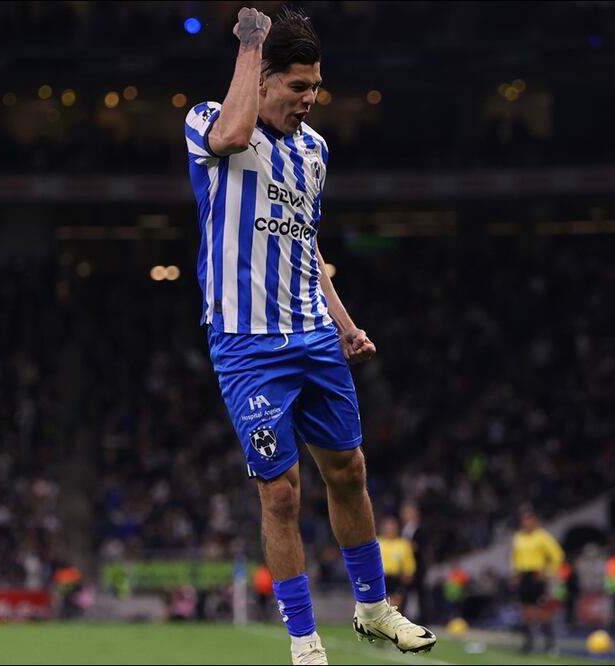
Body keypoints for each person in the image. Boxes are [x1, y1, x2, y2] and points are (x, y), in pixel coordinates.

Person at [184, 7, 435, 664]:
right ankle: (302, 640)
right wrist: (249, 42)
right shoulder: (207, 121)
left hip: (313, 336)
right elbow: (235, 133)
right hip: (246, 344)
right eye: (297, 86)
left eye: (315, 86)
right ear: (262, 79)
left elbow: (304, 243)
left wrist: (345, 324)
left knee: (349, 471)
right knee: (281, 489)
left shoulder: (315, 151)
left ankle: (373, 608)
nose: (310, 99)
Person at [510, 507, 564, 654]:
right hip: (523, 576)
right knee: (525, 610)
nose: (526, 523)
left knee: (542, 611)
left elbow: (557, 555)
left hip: (537, 575)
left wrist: (548, 572)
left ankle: (549, 644)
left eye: (529, 519)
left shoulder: (542, 537)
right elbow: (515, 557)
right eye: (524, 520)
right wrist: (515, 573)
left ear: (535, 521)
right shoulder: (518, 537)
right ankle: (528, 643)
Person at [377, 516, 416, 614]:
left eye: (392, 528)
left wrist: (408, 575)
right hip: (380, 578)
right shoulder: (376, 543)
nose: (390, 530)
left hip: (396, 578)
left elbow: (409, 565)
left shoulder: (403, 544)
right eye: (388, 528)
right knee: (381, 606)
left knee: (395, 607)